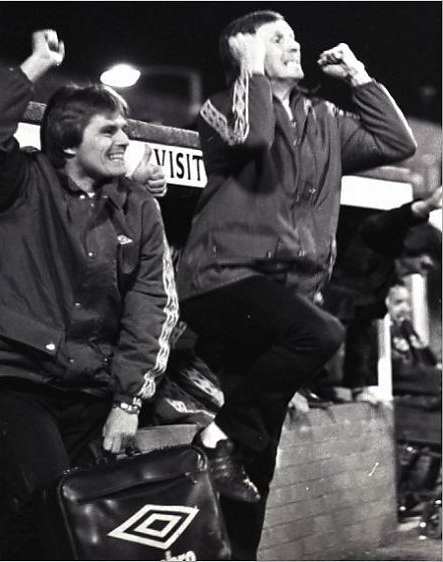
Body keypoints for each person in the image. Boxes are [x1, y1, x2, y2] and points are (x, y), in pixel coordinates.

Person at [175, 9, 416, 560]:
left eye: (293, 35)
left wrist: (358, 76)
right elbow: (255, 136)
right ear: (243, 49)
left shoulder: (323, 116)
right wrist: (250, 71)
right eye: (275, 37)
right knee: (322, 335)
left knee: (250, 461)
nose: (294, 43)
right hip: (224, 281)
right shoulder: (220, 107)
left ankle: (236, 546)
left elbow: (395, 144)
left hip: (286, 298)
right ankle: (216, 433)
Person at [0, 30, 178, 560]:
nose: (125, 140)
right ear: (69, 144)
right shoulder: (21, 182)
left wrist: (127, 401)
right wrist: (32, 69)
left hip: (91, 388)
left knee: (39, 527)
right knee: (54, 506)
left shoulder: (140, 205)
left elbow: (154, 304)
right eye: (109, 132)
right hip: (17, 379)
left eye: (126, 129)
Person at [318, 187, 442, 405]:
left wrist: (359, 388)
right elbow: (380, 224)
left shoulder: (384, 278)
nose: (421, 273)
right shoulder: (374, 243)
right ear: (412, 247)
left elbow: (362, 329)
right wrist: (422, 208)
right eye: (423, 265)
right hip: (321, 306)